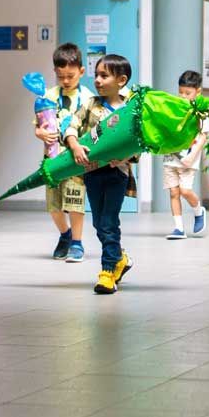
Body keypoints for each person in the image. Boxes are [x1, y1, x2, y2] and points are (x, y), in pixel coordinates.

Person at [66, 55, 136, 294]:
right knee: (98, 221)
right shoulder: (90, 104)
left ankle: (107, 272)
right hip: (92, 172)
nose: (97, 80)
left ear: (121, 80)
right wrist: (74, 145)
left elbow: (140, 141)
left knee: (108, 221)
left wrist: (125, 158)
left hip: (118, 173)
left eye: (104, 75)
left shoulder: (131, 108)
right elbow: (71, 126)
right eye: (96, 75)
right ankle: (120, 258)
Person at [36, 43, 94, 262]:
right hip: (51, 159)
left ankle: (77, 243)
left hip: (76, 160)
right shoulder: (48, 96)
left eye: (71, 76)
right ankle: (65, 235)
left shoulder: (88, 98)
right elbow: (38, 126)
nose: (66, 81)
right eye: (62, 77)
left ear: (81, 71)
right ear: (55, 72)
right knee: (53, 205)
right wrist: (39, 133)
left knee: (74, 201)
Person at [164, 70, 209, 240]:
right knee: (173, 193)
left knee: (185, 190)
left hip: (188, 159)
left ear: (198, 91)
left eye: (187, 93)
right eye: (181, 92)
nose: (183, 96)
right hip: (170, 158)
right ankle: (178, 228)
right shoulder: (174, 108)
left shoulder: (201, 112)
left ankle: (198, 211)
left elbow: (203, 136)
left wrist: (192, 156)